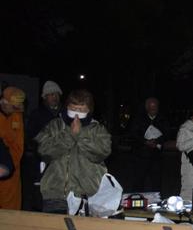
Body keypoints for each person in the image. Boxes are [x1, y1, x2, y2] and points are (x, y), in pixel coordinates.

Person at [36, 89, 112, 213]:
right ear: (67, 107)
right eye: (73, 109)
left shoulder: (97, 129)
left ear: (89, 110)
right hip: (55, 193)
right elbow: (43, 150)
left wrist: (80, 134)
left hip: (88, 194)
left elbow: (101, 153)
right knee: (55, 224)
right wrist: (69, 135)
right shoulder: (54, 125)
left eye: (81, 110)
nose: (76, 114)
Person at [23, 81, 62, 211]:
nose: (54, 97)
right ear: (45, 97)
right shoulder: (37, 114)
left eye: (56, 94)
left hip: (61, 159)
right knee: (40, 189)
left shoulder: (65, 113)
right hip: (42, 160)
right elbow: (31, 136)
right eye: (51, 94)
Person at [127, 97, 165, 193]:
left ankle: (156, 200)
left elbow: (167, 133)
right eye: (151, 108)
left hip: (156, 157)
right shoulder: (139, 118)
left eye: (155, 107)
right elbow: (133, 133)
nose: (153, 110)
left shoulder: (162, 119)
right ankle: (137, 200)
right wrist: (145, 141)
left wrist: (157, 141)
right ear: (146, 107)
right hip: (141, 156)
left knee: (156, 183)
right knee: (138, 182)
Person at [0, 87, 26, 210]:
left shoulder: (17, 115)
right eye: (13, 106)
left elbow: (19, 145)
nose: (16, 108)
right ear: (3, 102)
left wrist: (11, 167)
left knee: (11, 208)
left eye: (18, 106)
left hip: (12, 170)